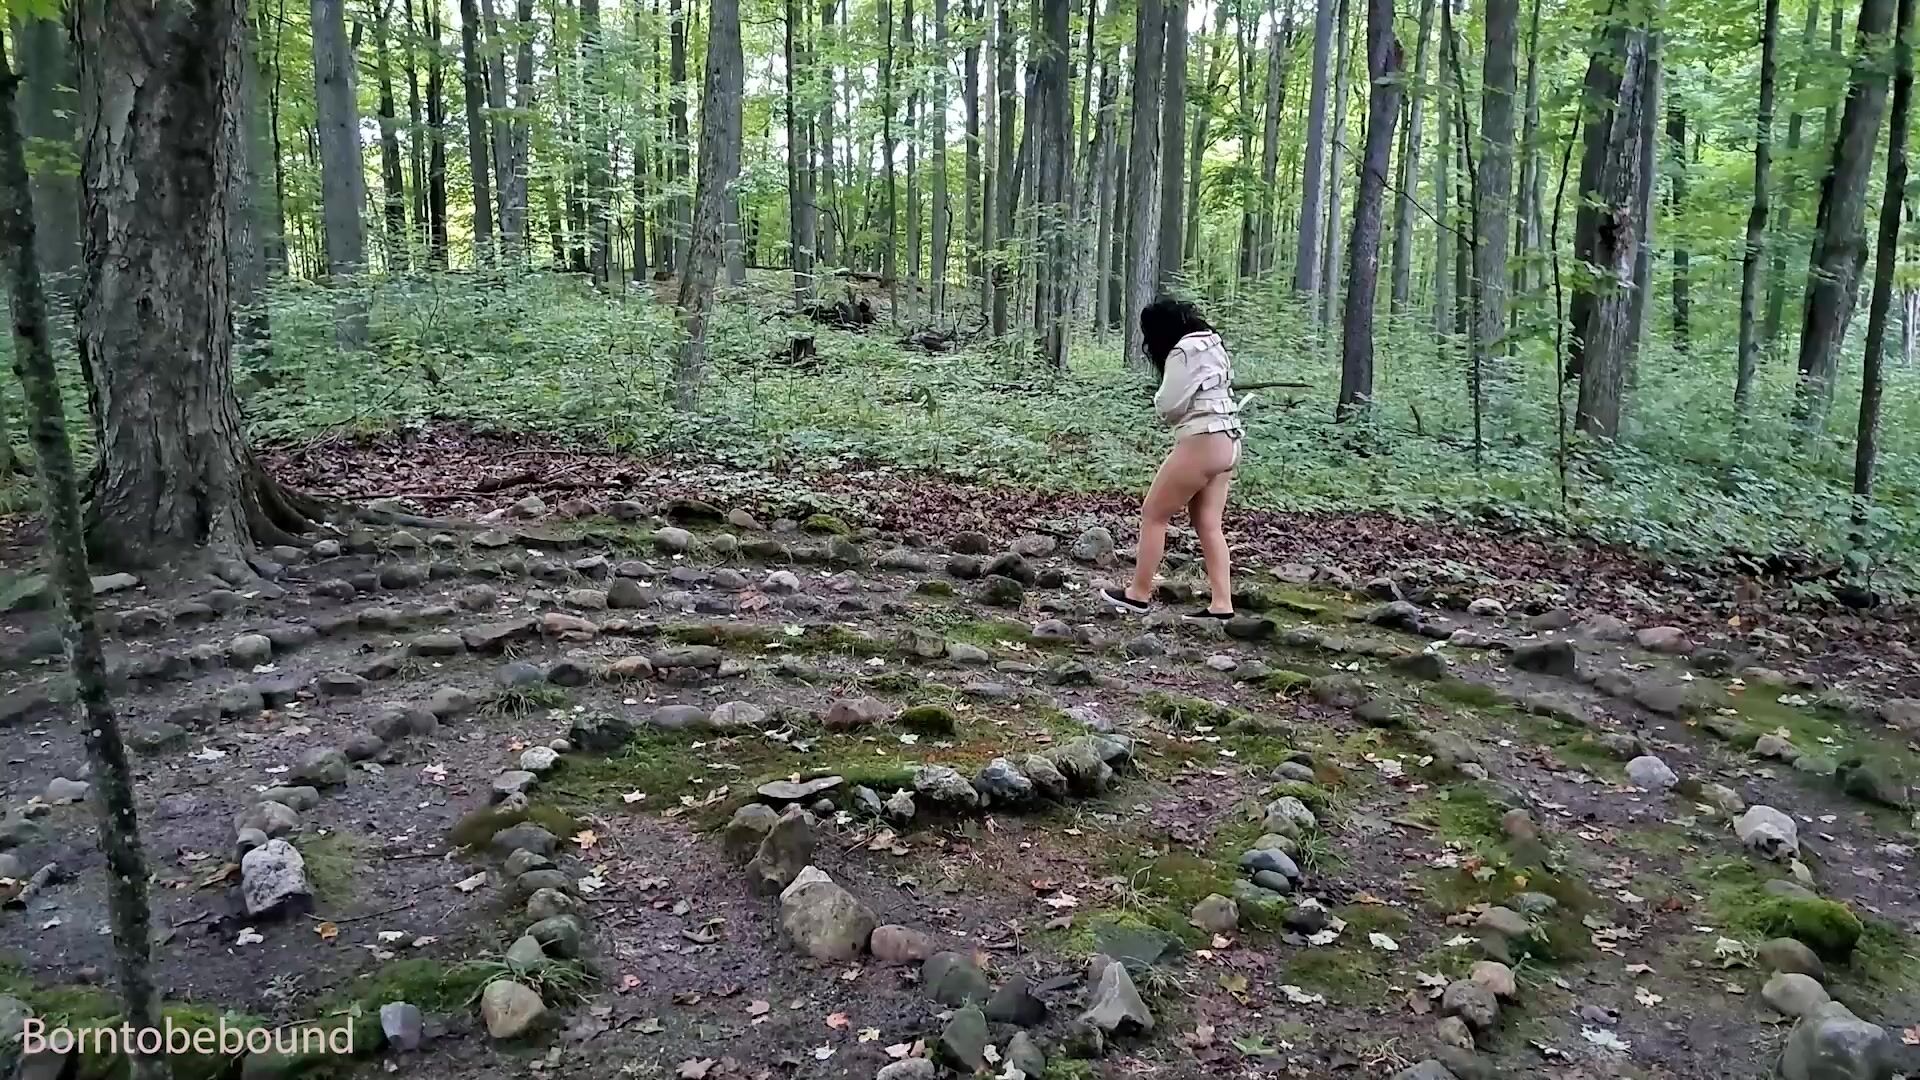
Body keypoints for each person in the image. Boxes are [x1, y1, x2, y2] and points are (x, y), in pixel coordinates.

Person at [1102, 295, 1243, 619]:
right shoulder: (1212, 344)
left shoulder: (1182, 352)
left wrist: (1159, 399)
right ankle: (1222, 604)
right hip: (1230, 441)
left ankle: (1138, 593)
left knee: (1154, 513)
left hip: (1203, 440)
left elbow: (1169, 405)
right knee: (1208, 523)